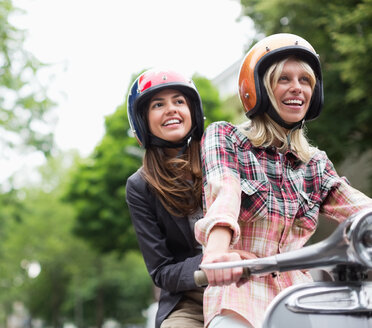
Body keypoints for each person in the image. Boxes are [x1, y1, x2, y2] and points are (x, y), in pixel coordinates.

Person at [194, 33, 372, 328]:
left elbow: (359, 208)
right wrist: (216, 255)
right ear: (259, 90)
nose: (297, 88)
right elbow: (224, 192)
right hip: (240, 291)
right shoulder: (226, 137)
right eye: (284, 79)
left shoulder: (315, 163)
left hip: (298, 300)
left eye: (305, 80)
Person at [125, 68, 206, 328]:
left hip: (249, 278)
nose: (171, 109)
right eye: (158, 104)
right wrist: (213, 262)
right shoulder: (139, 186)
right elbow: (161, 270)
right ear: (142, 121)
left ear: (193, 111)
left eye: (179, 101)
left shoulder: (220, 153)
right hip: (193, 298)